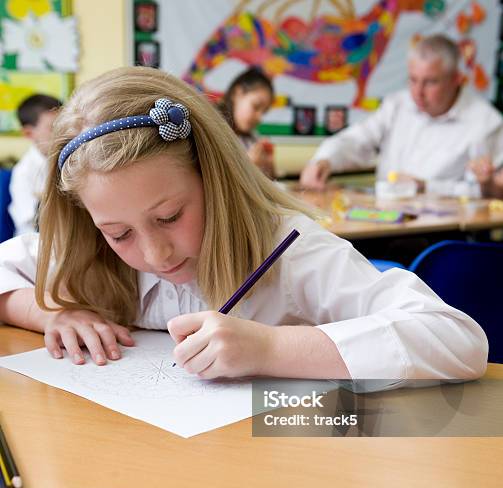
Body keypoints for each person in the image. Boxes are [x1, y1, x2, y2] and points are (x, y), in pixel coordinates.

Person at [0, 67, 488, 383]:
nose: (155, 255)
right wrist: (51, 314)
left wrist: (272, 348)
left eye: (170, 216)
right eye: (119, 233)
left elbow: (457, 340)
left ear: (215, 179)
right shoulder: (91, 249)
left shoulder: (289, 247)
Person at [300, 34, 503, 196]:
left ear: (457, 79)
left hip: (445, 229)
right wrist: (324, 160)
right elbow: (357, 139)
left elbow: (491, 192)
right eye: (413, 80)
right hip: (385, 219)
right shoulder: (398, 104)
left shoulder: (486, 122)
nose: (418, 91)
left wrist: (426, 187)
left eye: (431, 82)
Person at [8, 94, 62, 235]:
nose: (63, 134)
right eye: (53, 128)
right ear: (29, 133)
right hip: (36, 242)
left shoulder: (68, 158)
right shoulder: (24, 172)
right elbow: (37, 221)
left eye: (64, 125)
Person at [219, 67, 275, 178]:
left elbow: (269, 182)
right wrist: (249, 166)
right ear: (238, 93)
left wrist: (269, 166)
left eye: (264, 112)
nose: (260, 118)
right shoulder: (213, 130)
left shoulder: (252, 139)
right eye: (256, 106)